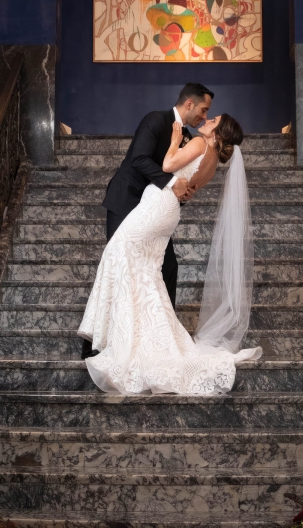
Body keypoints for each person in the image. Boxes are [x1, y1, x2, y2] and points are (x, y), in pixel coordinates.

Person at [77, 111, 262, 395]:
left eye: (213, 121)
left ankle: (122, 338)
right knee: (145, 270)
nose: (207, 120)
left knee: (118, 253)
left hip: (158, 205)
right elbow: (188, 190)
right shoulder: (213, 162)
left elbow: (167, 164)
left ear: (219, 133)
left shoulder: (200, 144)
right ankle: (136, 334)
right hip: (168, 211)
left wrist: (175, 141)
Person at [80, 82, 214, 360]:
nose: (204, 116)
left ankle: (159, 339)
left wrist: (185, 190)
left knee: (168, 266)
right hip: (127, 198)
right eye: (203, 110)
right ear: (189, 104)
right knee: (120, 264)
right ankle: (99, 344)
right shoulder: (156, 119)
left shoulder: (189, 138)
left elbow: (182, 172)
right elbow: (139, 159)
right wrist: (172, 182)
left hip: (153, 209)